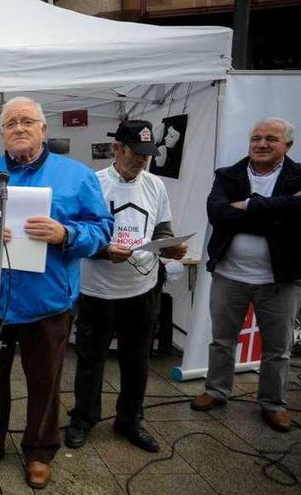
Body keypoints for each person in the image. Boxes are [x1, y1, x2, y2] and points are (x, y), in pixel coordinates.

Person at [0, 96, 112, 489]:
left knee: (45, 381)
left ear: (44, 128)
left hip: (49, 301)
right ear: (2, 133)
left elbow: (102, 228)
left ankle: (39, 451)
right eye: (10, 123)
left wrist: (66, 234)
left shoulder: (76, 176)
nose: (19, 128)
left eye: (27, 121)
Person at [66, 120, 188, 453]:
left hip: (142, 287)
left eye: (148, 154)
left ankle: (129, 419)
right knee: (91, 358)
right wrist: (104, 250)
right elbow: (75, 236)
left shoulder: (154, 185)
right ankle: (83, 418)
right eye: (136, 153)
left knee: (137, 359)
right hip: (98, 290)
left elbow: (161, 228)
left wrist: (170, 245)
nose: (142, 161)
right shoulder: (92, 185)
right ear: (116, 149)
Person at [191, 118, 301, 432]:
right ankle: (216, 389)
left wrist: (248, 207)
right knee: (222, 340)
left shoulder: (298, 175)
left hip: (279, 279)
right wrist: (277, 212)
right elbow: (218, 213)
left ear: (287, 145)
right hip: (229, 275)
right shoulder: (228, 175)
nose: (262, 144)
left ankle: (273, 403)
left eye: (271, 138)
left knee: (278, 348)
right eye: (256, 138)